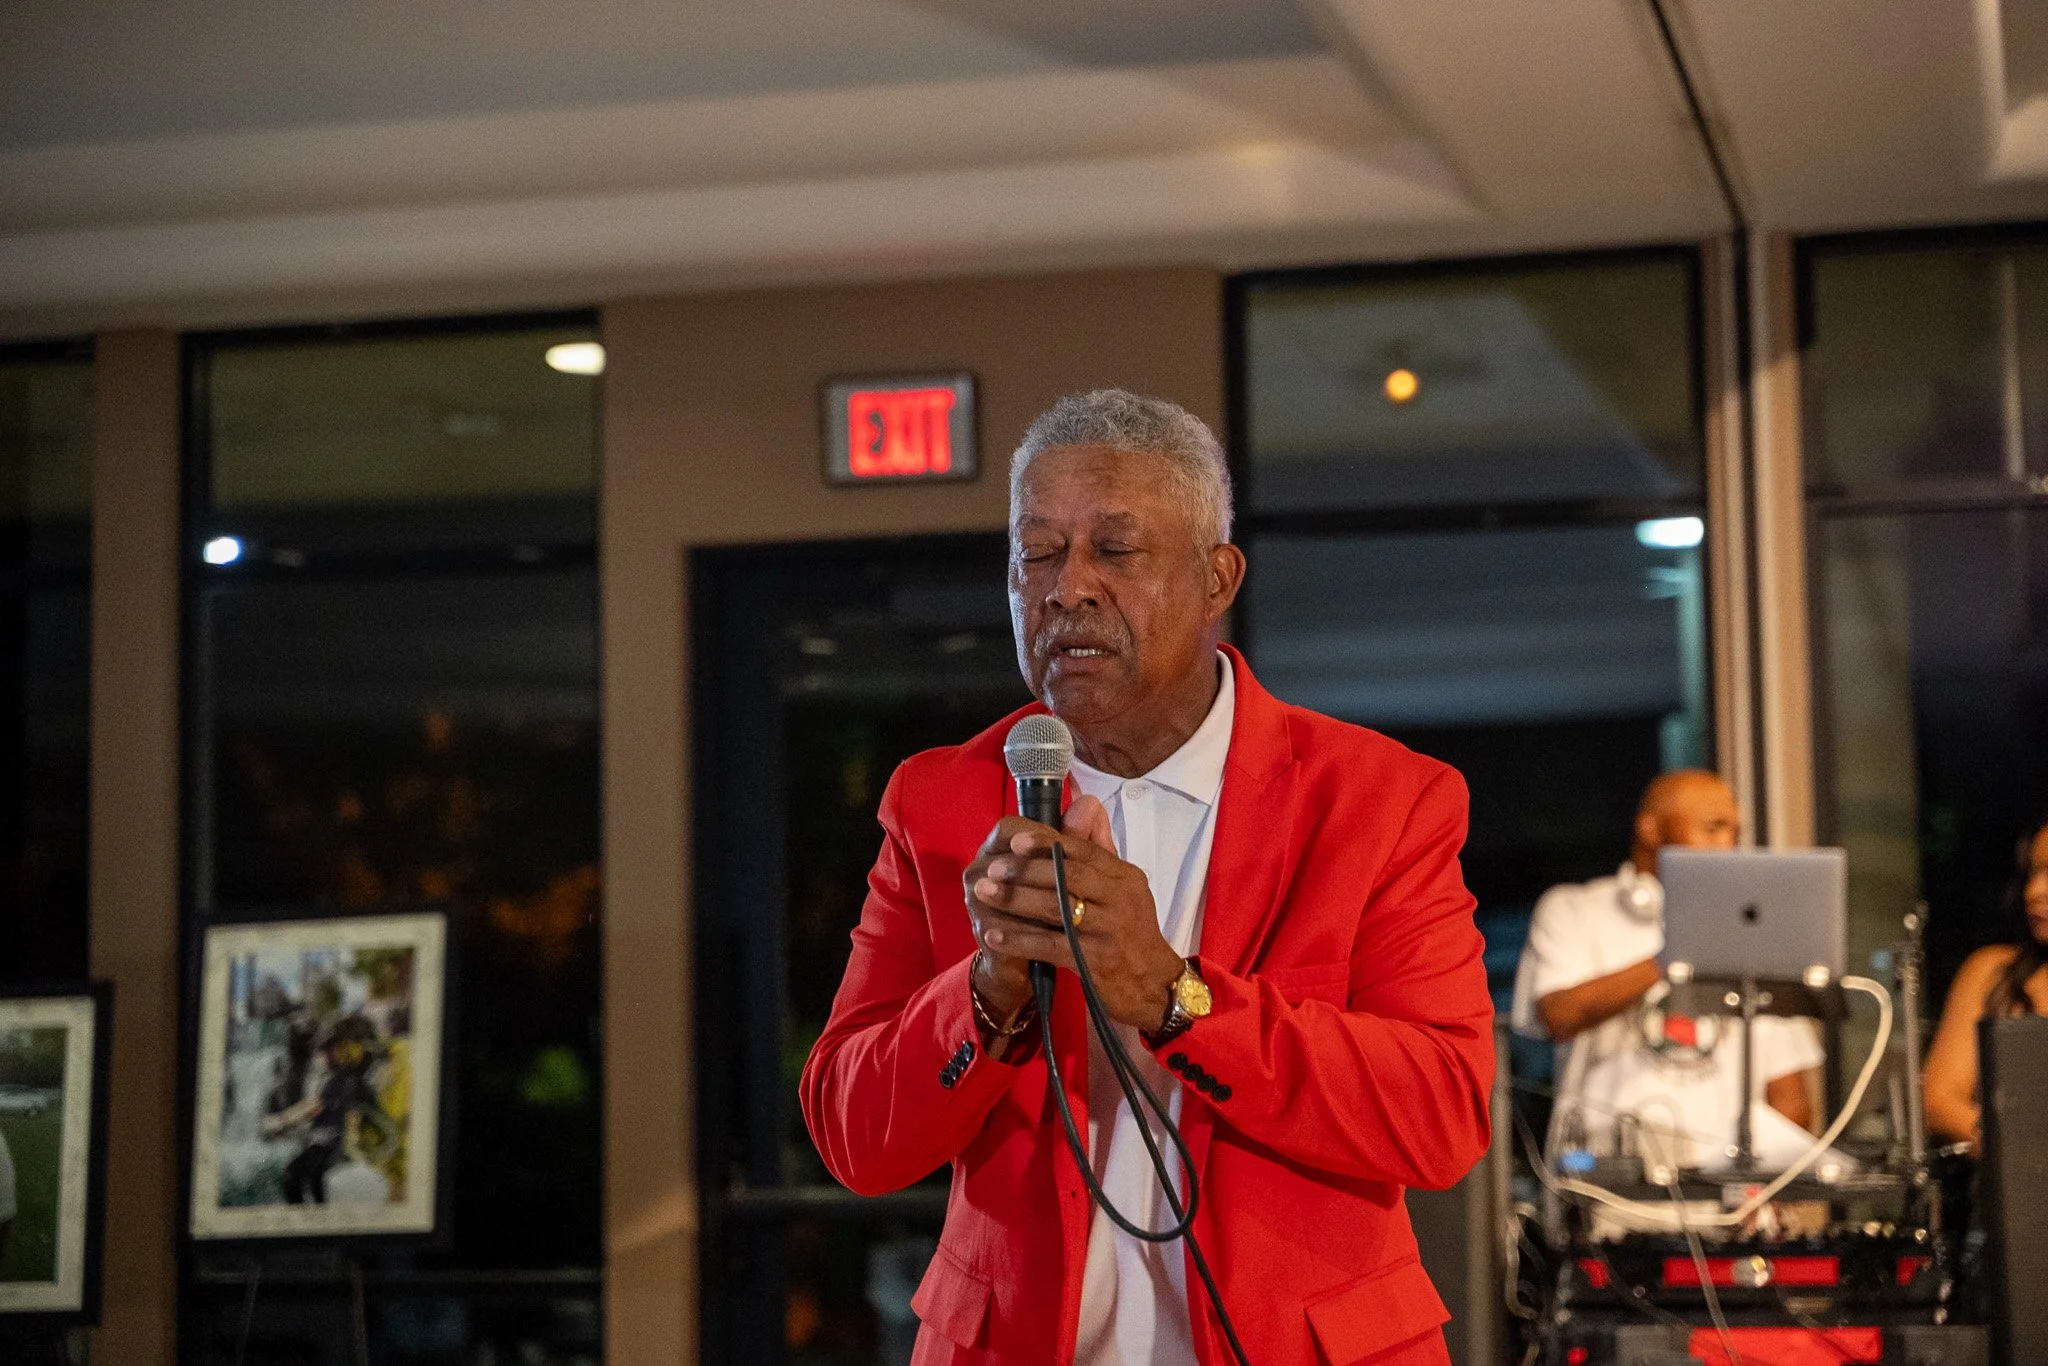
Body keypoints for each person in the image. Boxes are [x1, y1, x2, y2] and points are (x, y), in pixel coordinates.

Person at [801, 390, 1494, 1366]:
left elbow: (1440, 1115)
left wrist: (1175, 997)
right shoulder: (939, 801)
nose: (1066, 589)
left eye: (1115, 550)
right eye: (1036, 553)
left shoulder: (1378, 800)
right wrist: (987, 993)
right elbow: (853, 1136)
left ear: (1217, 578)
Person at [1512, 771, 1823, 1171]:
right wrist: (1675, 952)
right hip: (1609, 1181)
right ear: (1652, 829)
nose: (1727, 845)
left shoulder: (1749, 930)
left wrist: (1767, 1185)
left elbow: (1789, 1094)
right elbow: (1558, 1015)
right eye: (1713, 828)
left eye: (1734, 833)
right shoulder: (1574, 910)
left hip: (1728, 1189)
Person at [1923, 818, 2048, 1150]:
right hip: (2008, 1177)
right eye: (2032, 874)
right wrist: (2023, 1152)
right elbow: (1939, 1101)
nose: (2034, 892)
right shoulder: (1994, 973)